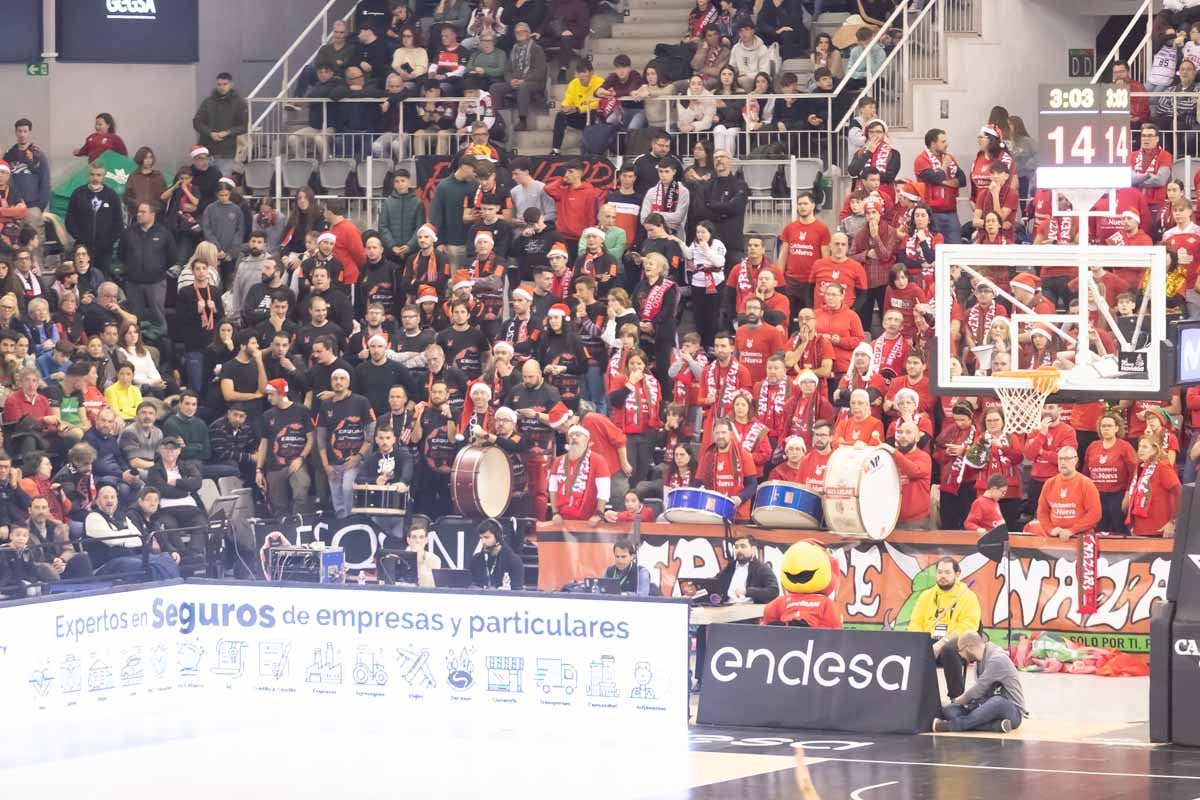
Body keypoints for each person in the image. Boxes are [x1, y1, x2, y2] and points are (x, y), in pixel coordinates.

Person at [908, 556, 981, 703]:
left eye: (947, 572)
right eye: (940, 572)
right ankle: (917, 698)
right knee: (910, 646)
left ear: (957, 574)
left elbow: (968, 627)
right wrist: (921, 641)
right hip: (930, 639)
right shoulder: (926, 596)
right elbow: (915, 622)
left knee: (948, 649)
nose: (943, 576)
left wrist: (941, 643)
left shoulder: (968, 596)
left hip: (956, 643)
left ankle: (957, 699)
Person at [933, 631, 1027, 734]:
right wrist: (956, 706)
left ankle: (951, 726)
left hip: (1011, 711)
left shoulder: (997, 659)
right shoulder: (979, 661)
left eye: (960, 651)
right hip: (986, 704)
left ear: (969, 647)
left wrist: (956, 701)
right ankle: (994, 726)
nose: (960, 655)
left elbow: (978, 689)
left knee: (998, 702)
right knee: (950, 711)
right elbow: (980, 694)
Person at [83, 484, 180, 580]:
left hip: (128, 557)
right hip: (104, 565)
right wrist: (126, 534)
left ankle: (170, 585)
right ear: (97, 501)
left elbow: (138, 539)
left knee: (165, 558)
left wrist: (121, 537)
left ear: (117, 500)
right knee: (142, 566)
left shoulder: (122, 516)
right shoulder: (93, 517)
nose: (109, 500)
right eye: (105, 497)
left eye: (113, 497)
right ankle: (158, 587)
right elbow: (111, 541)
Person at [255, 378, 314, 514]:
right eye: (268, 394)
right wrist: (259, 469)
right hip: (274, 465)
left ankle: (299, 522)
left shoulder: (301, 410)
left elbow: (311, 439)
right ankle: (282, 528)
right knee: (278, 505)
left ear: (281, 393)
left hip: (296, 462)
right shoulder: (267, 416)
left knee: (302, 487)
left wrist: (301, 458)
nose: (268, 398)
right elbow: (263, 444)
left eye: (271, 394)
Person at [119, 203, 177, 330]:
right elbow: (121, 255)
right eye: (138, 212)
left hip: (156, 283)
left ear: (152, 214)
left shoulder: (164, 233)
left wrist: (158, 270)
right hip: (133, 283)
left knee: (158, 315)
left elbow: (172, 257)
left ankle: (161, 344)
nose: (139, 214)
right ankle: (135, 344)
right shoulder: (128, 233)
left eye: (143, 212)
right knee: (134, 317)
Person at [1028, 446, 1102, 540]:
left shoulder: (1086, 484)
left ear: (1075, 460)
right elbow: (1042, 511)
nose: (1063, 462)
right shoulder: (1049, 483)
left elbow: (1095, 514)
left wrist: (1072, 530)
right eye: (1060, 459)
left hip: (1080, 535)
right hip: (1055, 535)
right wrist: (1050, 529)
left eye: (1067, 459)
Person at [65, 162, 123, 273]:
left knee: (102, 280)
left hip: (105, 251)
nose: (95, 178)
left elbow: (118, 223)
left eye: (98, 175)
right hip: (82, 249)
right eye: (92, 174)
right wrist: (81, 239)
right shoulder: (78, 194)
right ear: (88, 175)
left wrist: (108, 241)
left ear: (104, 177)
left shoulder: (111, 195)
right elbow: (70, 221)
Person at [549, 424, 612, 523]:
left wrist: (599, 514)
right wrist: (555, 513)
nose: (574, 437)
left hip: (589, 520)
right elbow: (553, 489)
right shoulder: (558, 461)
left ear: (587, 440)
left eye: (578, 435)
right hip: (562, 519)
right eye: (571, 436)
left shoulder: (598, 460)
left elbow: (604, 490)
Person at [1124, 435, 1181, 537]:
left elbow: (1180, 494)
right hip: (1139, 530)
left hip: (1158, 530)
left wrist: (1173, 522)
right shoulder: (1141, 467)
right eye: (1139, 446)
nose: (1140, 450)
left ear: (1155, 449)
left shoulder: (1162, 467)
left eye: (1145, 447)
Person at [193, 72, 249, 176]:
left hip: (226, 152)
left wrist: (227, 132)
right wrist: (210, 133)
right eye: (219, 84)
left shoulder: (240, 103)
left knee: (222, 183)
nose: (222, 87)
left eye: (225, 84)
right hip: (206, 150)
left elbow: (244, 127)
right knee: (203, 181)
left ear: (231, 84)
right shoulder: (208, 102)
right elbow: (197, 122)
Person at [5, 119, 50, 230]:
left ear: (30, 132)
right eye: (19, 131)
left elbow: (45, 182)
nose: (22, 134)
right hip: (13, 206)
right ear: (15, 132)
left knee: (34, 242)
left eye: (25, 131)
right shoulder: (8, 156)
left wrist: (40, 206)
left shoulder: (38, 155)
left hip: (33, 207)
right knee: (13, 241)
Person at [715, 533, 780, 603]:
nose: (739, 550)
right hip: (726, 607)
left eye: (743, 546)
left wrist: (747, 591)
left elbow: (774, 591)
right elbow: (714, 583)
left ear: (753, 549)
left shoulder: (762, 568)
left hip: (750, 609)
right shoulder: (730, 567)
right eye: (736, 547)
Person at [470, 519, 524, 589]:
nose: (483, 542)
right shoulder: (476, 560)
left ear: (498, 537)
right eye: (481, 538)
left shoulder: (513, 561)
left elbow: (518, 592)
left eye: (487, 537)